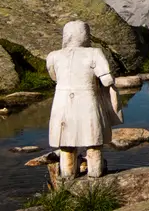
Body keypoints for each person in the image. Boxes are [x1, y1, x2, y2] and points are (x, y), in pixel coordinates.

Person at [46, 20, 123, 179]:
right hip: (87, 100)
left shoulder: (53, 56)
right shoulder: (94, 53)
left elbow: (54, 77)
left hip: (62, 102)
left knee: (66, 143)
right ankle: (95, 175)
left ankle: (68, 176)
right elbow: (107, 80)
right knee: (93, 141)